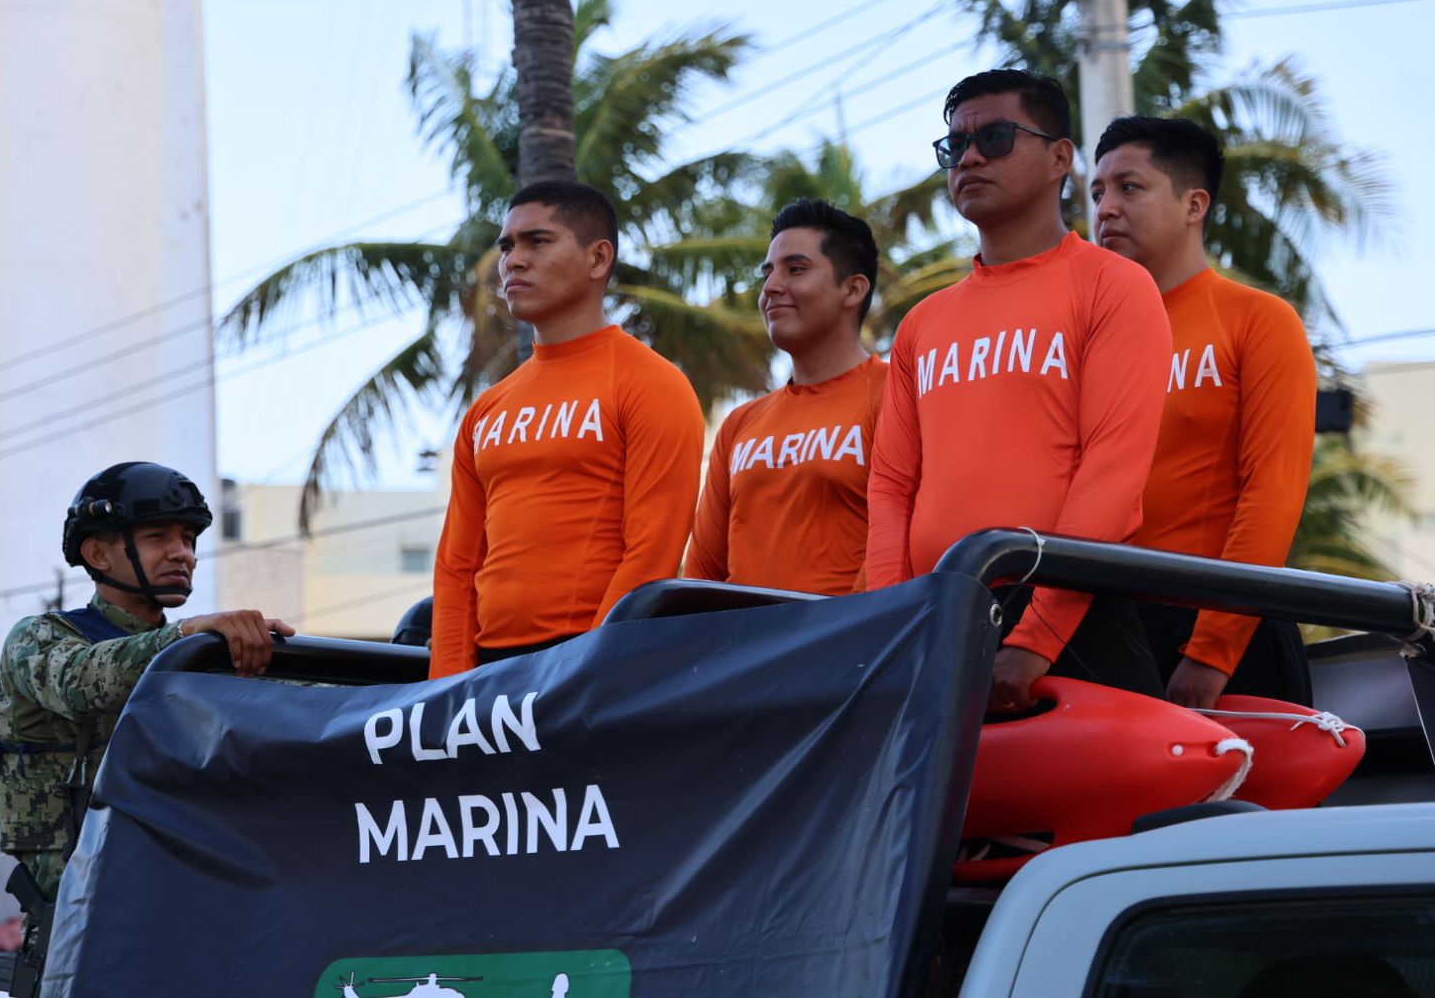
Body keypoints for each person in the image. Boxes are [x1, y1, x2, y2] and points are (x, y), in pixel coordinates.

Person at [867, 69, 1172, 713]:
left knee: (1102, 817)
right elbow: (893, 485)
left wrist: (1037, 638)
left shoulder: (1112, 287)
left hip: (1073, 620)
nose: (970, 157)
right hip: (936, 619)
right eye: (955, 147)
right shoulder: (922, 323)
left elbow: (1111, 475)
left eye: (997, 137)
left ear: (1061, 157)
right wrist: (888, 623)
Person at [0, 461, 295, 933]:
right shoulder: (40, 638)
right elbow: (80, 682)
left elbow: (311, 713)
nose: (182, 554)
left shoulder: (199, 654)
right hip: (80, 930)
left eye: (189, 540)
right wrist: (188, 636)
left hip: (186, 910)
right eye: (157, 538)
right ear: (98, 554)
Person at [430, 181, 704, 677]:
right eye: (507, 246)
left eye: (537, 241)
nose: (512, 260)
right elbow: (456, 568)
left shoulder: (654, 384)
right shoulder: (486, 410)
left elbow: (651, 554)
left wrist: (586, 673)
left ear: (599, 259)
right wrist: (446, 689)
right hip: (487, 683)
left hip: (590, 668)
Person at [1092, 115, 1315, 707]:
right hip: (1105, 629)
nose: (1105, 208)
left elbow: (1273, 494)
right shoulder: (1088, 341)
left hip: (1223, 630)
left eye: (1128, 187)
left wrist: (1212, 652)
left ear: (1194, 205)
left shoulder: (1257, 320)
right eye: (1096, 193)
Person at [685, 198, 887, 594]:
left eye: (795, 269)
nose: (771, 287)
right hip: (742, 651)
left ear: (852, 289)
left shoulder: (898, 395)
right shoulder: (740, 424)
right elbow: (701, 575)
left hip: (855, 647)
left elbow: (906, 545)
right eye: (768, 273)